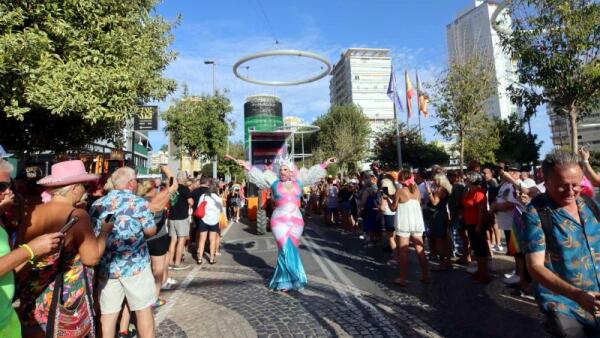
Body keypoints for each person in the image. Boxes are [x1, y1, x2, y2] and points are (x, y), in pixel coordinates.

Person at [16, 160, 112, 338]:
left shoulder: (31, 212)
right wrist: (105, 232)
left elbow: (19, 253)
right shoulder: (77, 216)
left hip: (32, 292)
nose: (86, 190)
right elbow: (91, 258)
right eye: (84, 185)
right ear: (74, 188)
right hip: (64, 299)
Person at [227, 154, 336, 291]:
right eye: (281, 170)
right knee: (284, 249)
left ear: (291, 172)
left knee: (292, 250)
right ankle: (285, 279)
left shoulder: (299, 182)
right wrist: (246, 166)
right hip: (279, 221)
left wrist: (325, 163)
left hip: (296, 221)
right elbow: (259, 176)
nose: (281, 172)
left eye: (285, 170)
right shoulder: (274, 183)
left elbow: (312, 174)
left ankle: (290, 279)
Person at [522, 151, 600, 337]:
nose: (571, 191)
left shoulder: (589, 204)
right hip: (565, 304)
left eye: (576, 185)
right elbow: (535, 267)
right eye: (561, 186)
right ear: (546, 181)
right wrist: (577, 295)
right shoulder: (536, 214)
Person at [0, 160, 64, 338]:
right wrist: (30, 250)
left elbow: (8, 270)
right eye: (1, 186)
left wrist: (36, 254)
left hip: (7, 321)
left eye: (9, 185)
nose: (8, 192)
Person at [90, 167, 157, 338]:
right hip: (136, 266)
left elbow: (94, 232)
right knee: (143, 311)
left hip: (108, 267)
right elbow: (150, 231)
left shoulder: (97, 204)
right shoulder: (138, 203)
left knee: (108, 315)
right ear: (131, 183)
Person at [388, 169, 430, 286]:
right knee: (420, 250)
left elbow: (393, 208)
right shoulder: (416, 190)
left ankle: (402, 279)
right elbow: (418, 203)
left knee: (403, 252)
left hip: (404, 223)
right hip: (416, 222)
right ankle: (426, 276)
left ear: (401, 179)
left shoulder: (400, 191)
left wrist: (388, 200)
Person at [462, 171, 491, 283]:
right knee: (476, 249)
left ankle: (484, 275)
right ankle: (480, 270)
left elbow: (481, 211)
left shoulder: (479, 193)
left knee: (481, 249)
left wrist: (479, 225)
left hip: (476, 224)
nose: (466, 180)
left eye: (467, 179)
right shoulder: (470, 191)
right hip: (470, 223)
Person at [427, 173, 453, 270]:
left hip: (438, 215)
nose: (434, 181)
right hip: (443, 214)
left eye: (436, 180)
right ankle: (448, 262)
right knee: (445, 239)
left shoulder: (441, 189)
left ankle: (442, 263)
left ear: (440, 180)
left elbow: (434, 203)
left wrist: (429, 193)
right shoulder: (445, 188)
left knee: (439, 239)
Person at [167, 172, 193, 270]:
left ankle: (169, 261)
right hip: (182, 217)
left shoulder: (172, 188)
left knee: (173, 240)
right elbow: (190, 202)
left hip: (172, 217)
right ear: (184, 179)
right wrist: (190, 204)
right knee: (181, 240)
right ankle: (177, 263)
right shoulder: (185, 189)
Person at [195, 183, 223, 264]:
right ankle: (211, 258)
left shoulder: (203, 196)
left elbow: (198, 206)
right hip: (214, 221)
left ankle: (199, 258)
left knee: (202, 240)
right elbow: (221, 210)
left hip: (203, 220)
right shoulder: (218, 198)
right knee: (212, 240)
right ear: (216, 189)